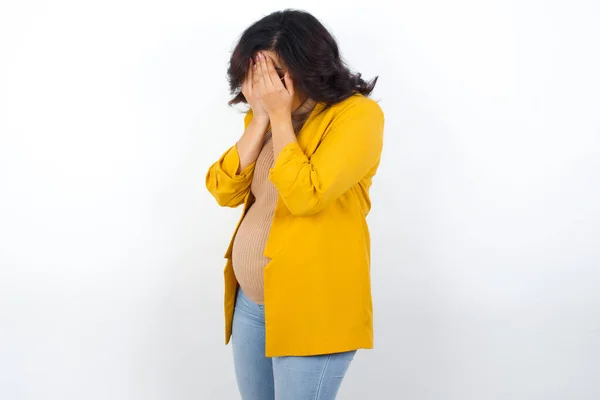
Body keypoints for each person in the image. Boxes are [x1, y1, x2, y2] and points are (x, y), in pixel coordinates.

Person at [205, 9, 385, 400]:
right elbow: (223, 190)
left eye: (276, 75)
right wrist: (259, 120)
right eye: (257, 73)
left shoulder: (357, 116)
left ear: (311, 68)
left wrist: (280, 118)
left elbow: (305, 195)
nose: (265, 86)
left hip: (314, 309)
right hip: (251, 305)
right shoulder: (263, 117)